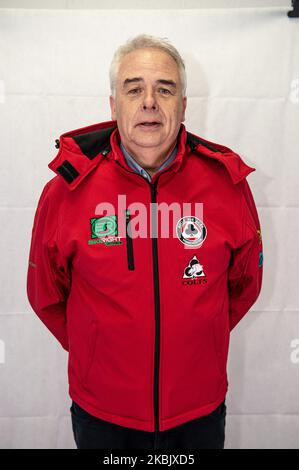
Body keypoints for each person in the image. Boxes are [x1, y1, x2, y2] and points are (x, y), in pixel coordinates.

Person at [26, 34, 263, 450]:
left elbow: (243, 287)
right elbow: (46, 295)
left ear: (183, 105)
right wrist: (98, 346)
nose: (149, 102)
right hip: (103, 414)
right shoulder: (66, 191)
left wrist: (194, 340)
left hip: (197, 411)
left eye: (165, 89)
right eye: (134, 89)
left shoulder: (228, 185)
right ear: (114, 104)